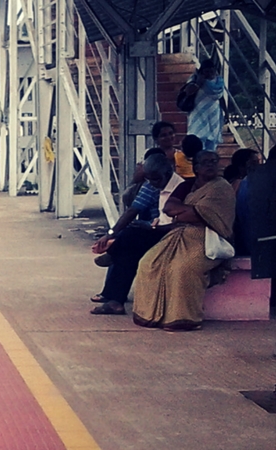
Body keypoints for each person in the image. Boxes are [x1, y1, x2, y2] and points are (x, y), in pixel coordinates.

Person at [132, 150, 236, 331]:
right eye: (205, 162)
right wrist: (190, 212)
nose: (210, 165)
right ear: (196, 168)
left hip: (207, 237)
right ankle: (150, 315)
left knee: (183, 268)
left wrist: (187, 212)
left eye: (214, 161)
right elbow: (168, 208)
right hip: (178, 233)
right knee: (149, 263)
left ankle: (183, 319)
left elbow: (200, 216)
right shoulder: (187, 185)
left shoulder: (222, 187)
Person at [88, 153, 177, 315]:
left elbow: (178, 222)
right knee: (128, 247)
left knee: (129, 237)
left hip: (173, 233)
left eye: (156, 179)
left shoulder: (181, 187)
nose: (153, 184)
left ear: (169, 173)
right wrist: (110, 233)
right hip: (154, 228)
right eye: (149, 179)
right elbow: (132, 211)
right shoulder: (151, 185)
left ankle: (112, 252)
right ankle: (115, 301)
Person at [186, 57, 225, 151]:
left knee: (212, 144)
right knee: (198, 140)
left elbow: (221, 98)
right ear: (202, 71)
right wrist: (199, 83)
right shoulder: (194, 78)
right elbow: (188, 92)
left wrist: (226, 112)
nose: (210, 74)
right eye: (207, 71)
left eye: (212, 71)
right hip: (199, 115)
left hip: (213, 115)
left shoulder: (219, 81)